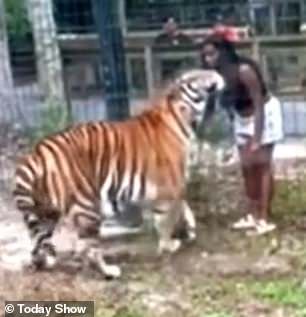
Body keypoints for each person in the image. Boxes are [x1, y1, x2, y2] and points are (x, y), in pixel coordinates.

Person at [200, 33, 284, 235]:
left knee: (261, 165)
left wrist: (257, 137)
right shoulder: (215, 76)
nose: (208, 59)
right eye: (205, 56)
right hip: (241, 116)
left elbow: (258, 103)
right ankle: (252, 213)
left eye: (212, 54)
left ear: (224, 52)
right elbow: (211, 104)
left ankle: (263, 218)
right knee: (246, 166)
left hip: (263, 113)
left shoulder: (244, 70)